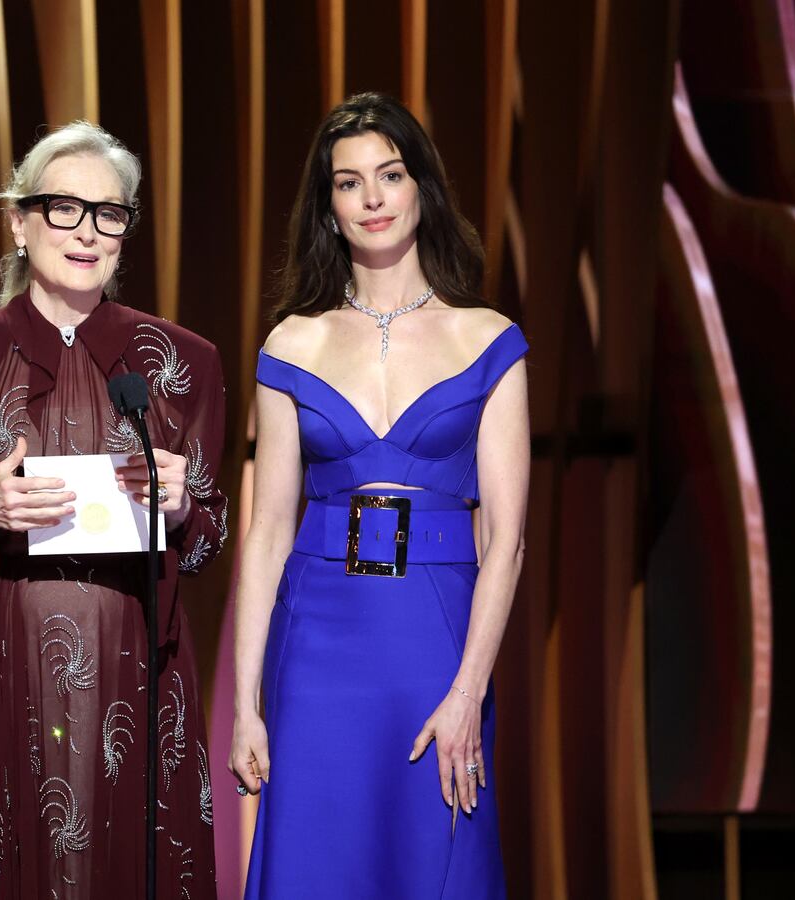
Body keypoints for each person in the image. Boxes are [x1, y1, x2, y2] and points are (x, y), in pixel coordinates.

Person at [0, 121, 227, 898]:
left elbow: (208, 545)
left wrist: (179, 509)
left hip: (136, 666)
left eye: (109, 214)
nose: (86, 232)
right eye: (63, 208)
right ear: (18, 220)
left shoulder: (180, 364)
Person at [229, 92, 528, 897]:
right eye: (349, 182)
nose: (372, 198)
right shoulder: (292, 341)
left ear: (420, 189)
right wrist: (244, 703)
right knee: (317, 860)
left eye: (390, 176)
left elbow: (506, 537)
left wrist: (468, 691)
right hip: (317, 636)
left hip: (436, 635)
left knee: (437, 852)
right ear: (327, 207)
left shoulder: (490, 339)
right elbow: (265, 533)